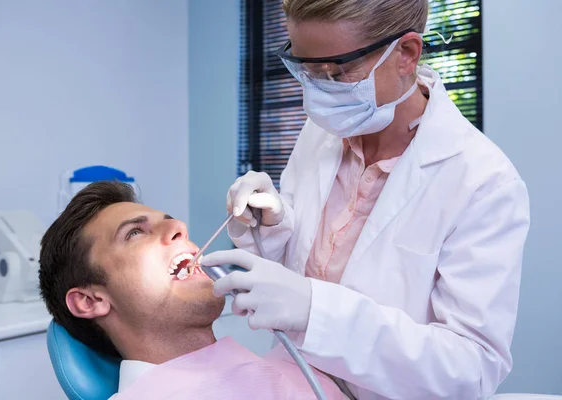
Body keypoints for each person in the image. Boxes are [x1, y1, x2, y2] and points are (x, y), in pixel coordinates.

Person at [201, 0, 531, 399]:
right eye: (307, 69)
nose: (320, 89)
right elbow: (305, 268)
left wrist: (316, 312)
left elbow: (470, 370)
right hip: (295, 381)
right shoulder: (322, 131)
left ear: (406, 54)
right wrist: (274, 225)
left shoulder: (482, 181)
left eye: (338, 72)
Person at [38, 181, 346, 400]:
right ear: (90, 300)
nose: (180, 227)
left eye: (170, 221)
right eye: (134, 233)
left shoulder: (293, 364)